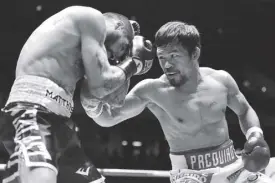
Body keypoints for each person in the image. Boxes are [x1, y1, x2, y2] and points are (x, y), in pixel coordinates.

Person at [91, 21, 274, 183]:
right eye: (162, 57)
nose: (167, 65)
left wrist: (254, 135)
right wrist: (92, 97)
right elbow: (108, 117)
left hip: (233, 168)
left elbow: (244, 110)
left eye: (174, 56)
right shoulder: (153, 91)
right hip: (189, 176)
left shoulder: (221, 80)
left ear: (194, 53)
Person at [0, 5, 154, 183]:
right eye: (124, 47)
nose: (116, 58)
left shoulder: (88, 54)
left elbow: (113, 99)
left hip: (60, 124)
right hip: (31, 110)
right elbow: (101, 86)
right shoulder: (91, 18)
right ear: (120, 26)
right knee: (40, 177)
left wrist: (127, 62)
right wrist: (133, 64)